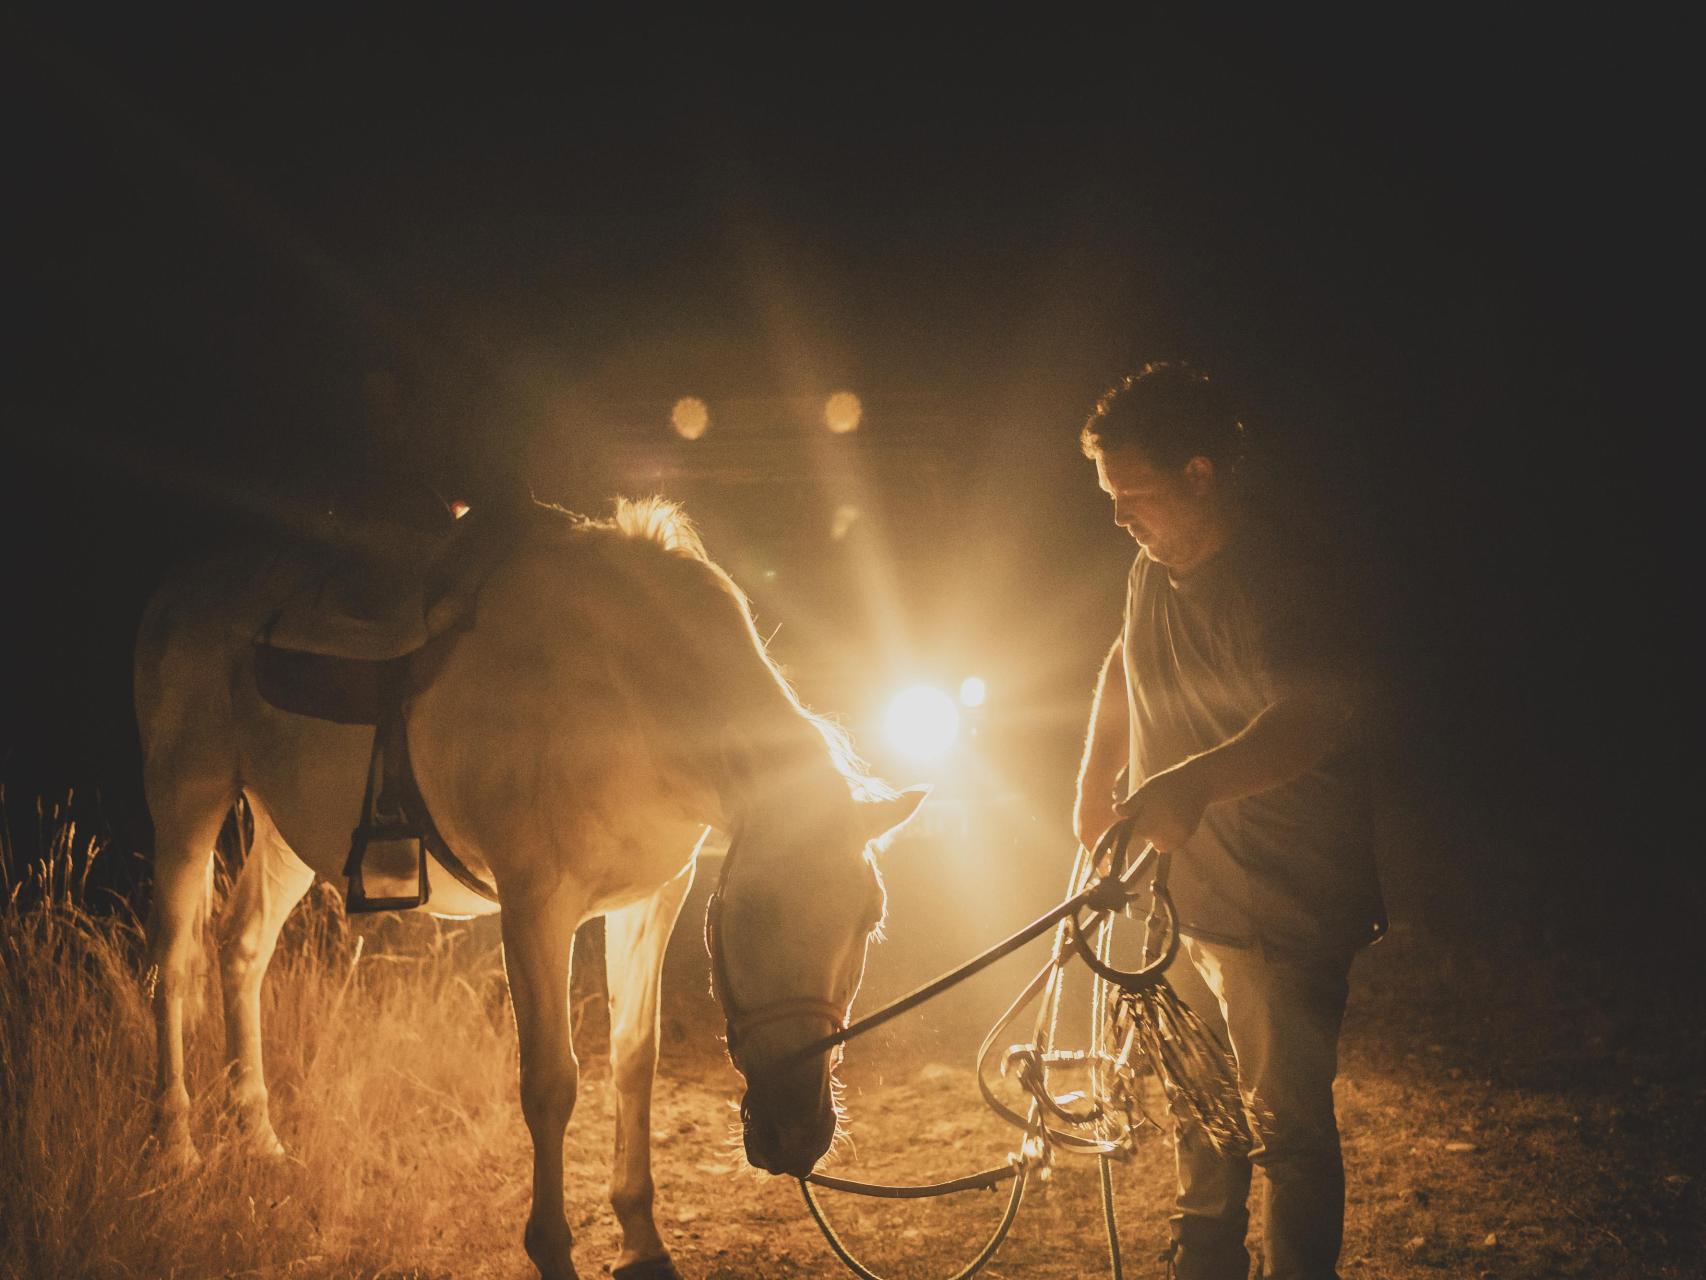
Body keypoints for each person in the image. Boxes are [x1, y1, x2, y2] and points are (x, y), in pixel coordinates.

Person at [1072, 363, 1384, 1280]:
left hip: (1285, 907)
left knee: (1286, 1132)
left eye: (1136, 495)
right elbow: (1124, 665)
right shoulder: (1149, 569)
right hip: (1191, 902)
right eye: (1112, 498)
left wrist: (1190, 784)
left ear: (1202, 473)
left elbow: (1312, 721)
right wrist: (1094, 774)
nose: (1122, 516)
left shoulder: (1285, 580)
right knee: (1200, 1112)